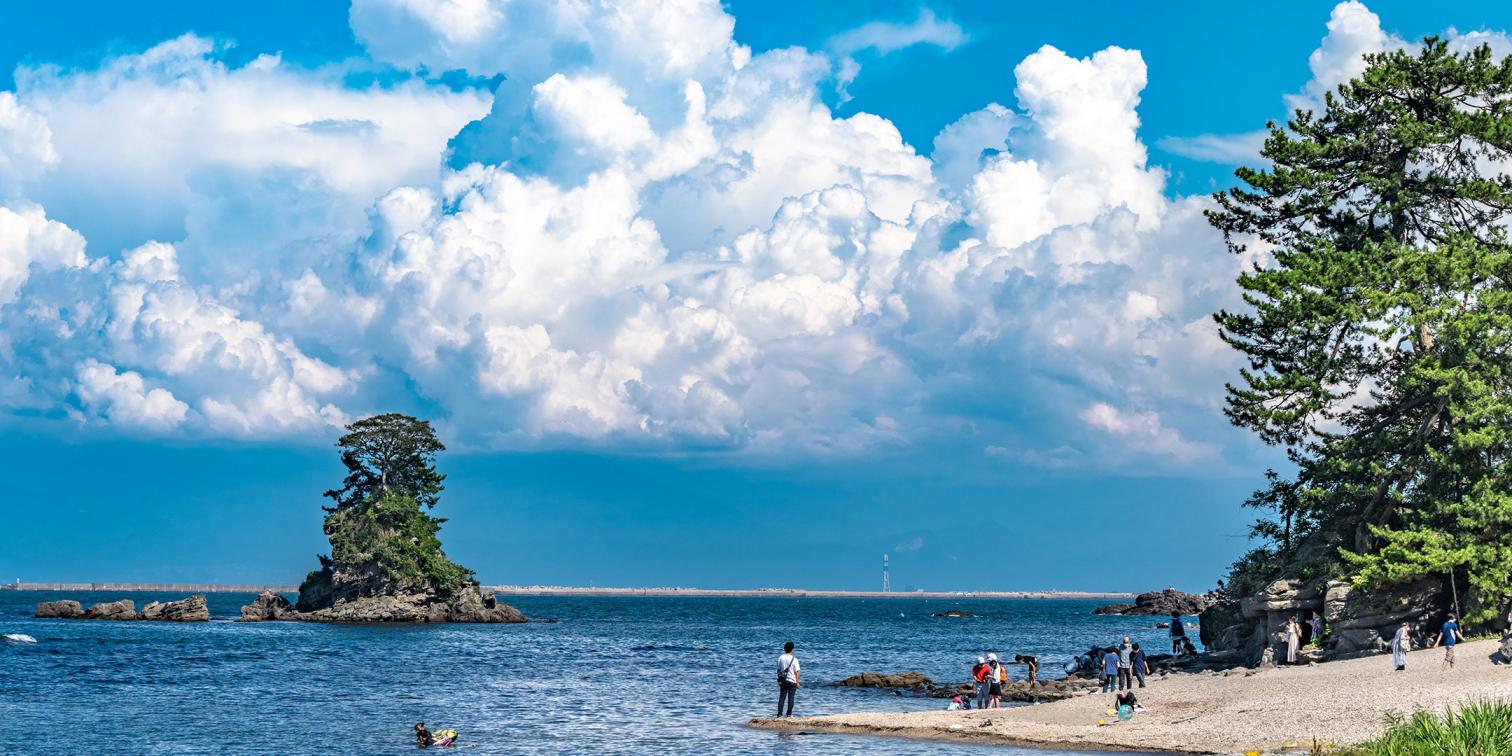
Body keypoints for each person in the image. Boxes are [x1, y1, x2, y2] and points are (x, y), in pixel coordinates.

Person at [776, 641, 801, 717]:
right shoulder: (794, 659)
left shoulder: (780, 658)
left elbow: (778, 670)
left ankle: (779, 714)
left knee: (782, 697)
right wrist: (797, 682)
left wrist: (778, 679)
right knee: (791, 698)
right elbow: (796, 672)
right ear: (792, 649)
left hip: (783, 680)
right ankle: (789, 714)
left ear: (784, 648)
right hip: (792, 681)